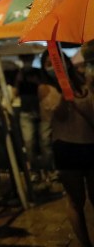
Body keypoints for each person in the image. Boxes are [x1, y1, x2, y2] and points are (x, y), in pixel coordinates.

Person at [39, 56, 94, 247]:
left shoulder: (84, 82)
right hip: (67, 147)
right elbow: (60, 115)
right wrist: (64, 89)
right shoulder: (46, 89)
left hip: (90, 144)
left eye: (57, 60)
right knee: (76, 200)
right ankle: (85, 243)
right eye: (48, 64)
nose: (54, 66)